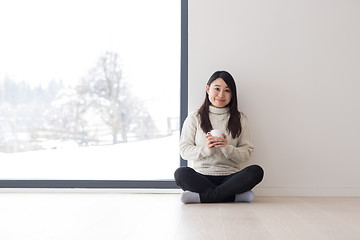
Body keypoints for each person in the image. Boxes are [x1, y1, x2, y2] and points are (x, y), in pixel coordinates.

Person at [174, 70, 264, 204]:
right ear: (207, 89)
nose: (221, 94)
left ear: (232, 94)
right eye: (217, 89)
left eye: (227, 90)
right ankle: (233, 197)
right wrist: (206, 149)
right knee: (181, 173)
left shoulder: (240, 119)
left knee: (256, 171)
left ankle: (203, 197)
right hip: (202, 175)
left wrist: (227, 148)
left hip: (230, 177)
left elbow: (247, 153)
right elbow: (184, 150)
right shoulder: (195, 117)